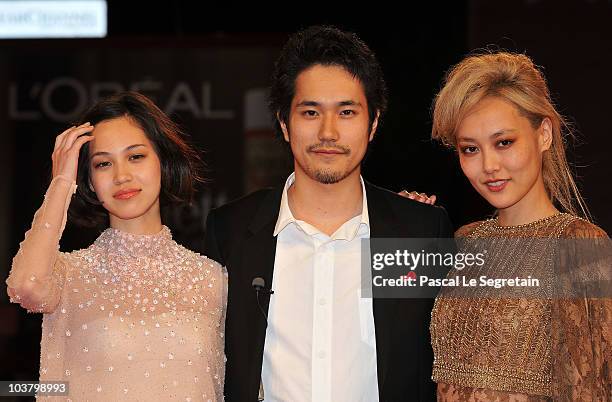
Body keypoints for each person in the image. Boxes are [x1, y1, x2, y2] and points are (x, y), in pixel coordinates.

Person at [203, 25, 453, 402]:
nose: (328, 132)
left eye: (347, 112)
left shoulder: (416, 231)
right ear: (285, 123)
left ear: (374, 123)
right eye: (310, 112)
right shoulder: (232, 231)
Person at [6, 91, 227, 401]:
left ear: (162, 162)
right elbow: (26, 287)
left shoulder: (212, 279)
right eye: (103, 164)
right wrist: (61, 182)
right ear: (89, 180)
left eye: (136, 157)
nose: (122, 176)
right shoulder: (68, 274)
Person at [420, 52, 610, 401]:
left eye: (504, 142)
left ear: (544, 135)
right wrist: (407, 225)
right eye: (470, 149)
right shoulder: (464, 240)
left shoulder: (580, 245)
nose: (489, 165)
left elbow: (592, 387)